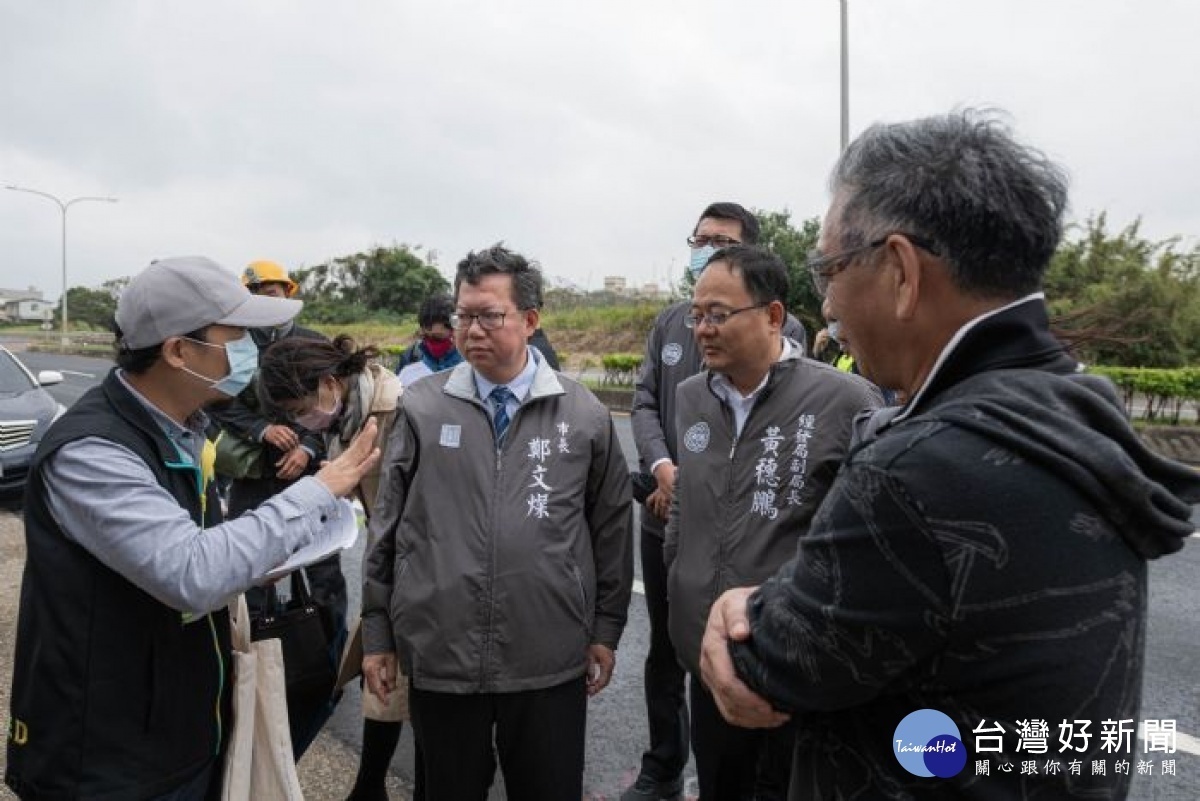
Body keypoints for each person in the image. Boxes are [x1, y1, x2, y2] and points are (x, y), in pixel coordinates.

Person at [699, 110, 1200, 800]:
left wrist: (736, 599)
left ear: (901, 270)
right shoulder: (1076, 407)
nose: (832, 305)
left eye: (829, 269)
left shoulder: (917, 471)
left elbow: (772, 662)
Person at [6, 256, 380, 801]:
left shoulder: (180, 430)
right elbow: (191, 572)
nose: (253, 350)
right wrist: (321, 490)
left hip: (172, 728)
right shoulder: (94, 451)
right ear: (179, 351)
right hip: (104, 758)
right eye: (237, 336)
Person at [361, 245, 633, 801]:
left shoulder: (583, 415)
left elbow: (610, 529)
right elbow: (386, 525)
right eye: (464, 315)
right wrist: (377, 634)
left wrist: (605, 628)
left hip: (548, 657)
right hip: (442, 655)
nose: (471, 329)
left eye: (490, 315)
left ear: (530, 321)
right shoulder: (422, 407)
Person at [665, 245, 882, 800]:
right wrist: (678, 572)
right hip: (707, 655)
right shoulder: (691, 397)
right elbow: (687, 499)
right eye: (697, 315)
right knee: (720, 786)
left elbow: (863, 539)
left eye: (718, 314)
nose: (703, 329)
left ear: (773, 315)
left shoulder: (845, 400)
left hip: (792, 662)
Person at [625, 202, 806, 801]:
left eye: (720, 241)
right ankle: (665, 765)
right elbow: (647, 402)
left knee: (745, 655)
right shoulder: (670, 324)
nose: (704, 249)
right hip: (667, 510)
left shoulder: (790, 339)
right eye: (698, 240)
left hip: (750, 533)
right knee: (669, 647)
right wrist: (664, 469)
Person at [257, 334, 410, 801]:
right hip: (387, 560)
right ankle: (369, 787)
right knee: (381, 670)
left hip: (421, 565)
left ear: (328, 382)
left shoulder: (398, 409)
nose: (304, 421)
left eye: (302, 408)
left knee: (404, 674)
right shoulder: (347, 413)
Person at [208, 258, 349, 757]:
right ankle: (259, 657)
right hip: (254, 472)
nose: (271, 299)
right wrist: (262, 429)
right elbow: (219, 404)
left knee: (323, 566)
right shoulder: (236, 346)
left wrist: (307, 447)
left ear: (290, 292)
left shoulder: (312, 342)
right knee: (257, 564)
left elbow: (332, 406)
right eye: (259, 292)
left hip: (308, 472)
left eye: (276, 290)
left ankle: (331, 654)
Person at [397, 292, 464, 387]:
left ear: (455, 331)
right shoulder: (409, 368)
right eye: (427, 337)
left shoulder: (474, 371)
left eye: (438, 339)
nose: (432, 344)